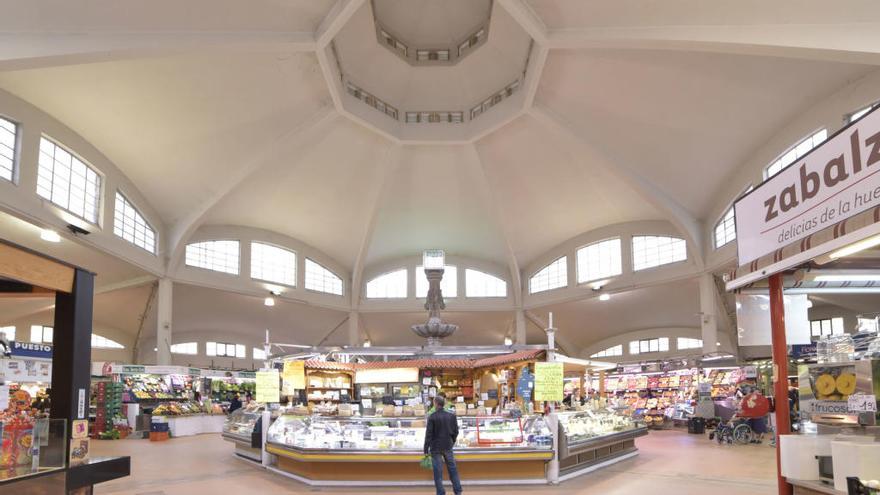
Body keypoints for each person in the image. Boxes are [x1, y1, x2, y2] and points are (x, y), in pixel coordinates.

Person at [424, 396, 462, 495]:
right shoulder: (451, 416)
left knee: (438, 473)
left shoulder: (432, 417)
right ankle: (458, 491)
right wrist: (452, 441)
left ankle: (440, 493)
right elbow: (456, 431)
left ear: (436, 403)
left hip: (435, 447)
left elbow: (429, 435)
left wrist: (425, 449)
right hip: (448, 446)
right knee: (453, 470)